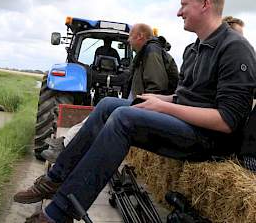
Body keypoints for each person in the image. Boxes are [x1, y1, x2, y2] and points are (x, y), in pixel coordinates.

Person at [14, 0, 256, 223]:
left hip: (210, 140)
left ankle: (59, 214)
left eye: (184, 5)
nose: (178, 11)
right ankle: (55, 179)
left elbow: (227, 121)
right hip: (188, 125)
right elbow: (187, 97)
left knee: (123, 118)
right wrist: (161, 98)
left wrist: (164, 107)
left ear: (205, 4)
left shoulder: (235, 48)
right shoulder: (193, 49)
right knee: (108, 105)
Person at [41, 23, 179, 162]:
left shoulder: (151, 51)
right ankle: (66, 144)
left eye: (130, 37)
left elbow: (156, 88)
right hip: (149, 104)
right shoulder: (147, 53)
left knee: (106, 108)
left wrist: (139, 106)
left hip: (153, 107)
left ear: (140, 36)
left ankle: (67, 145)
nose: (128, 41)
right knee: (104, 107)